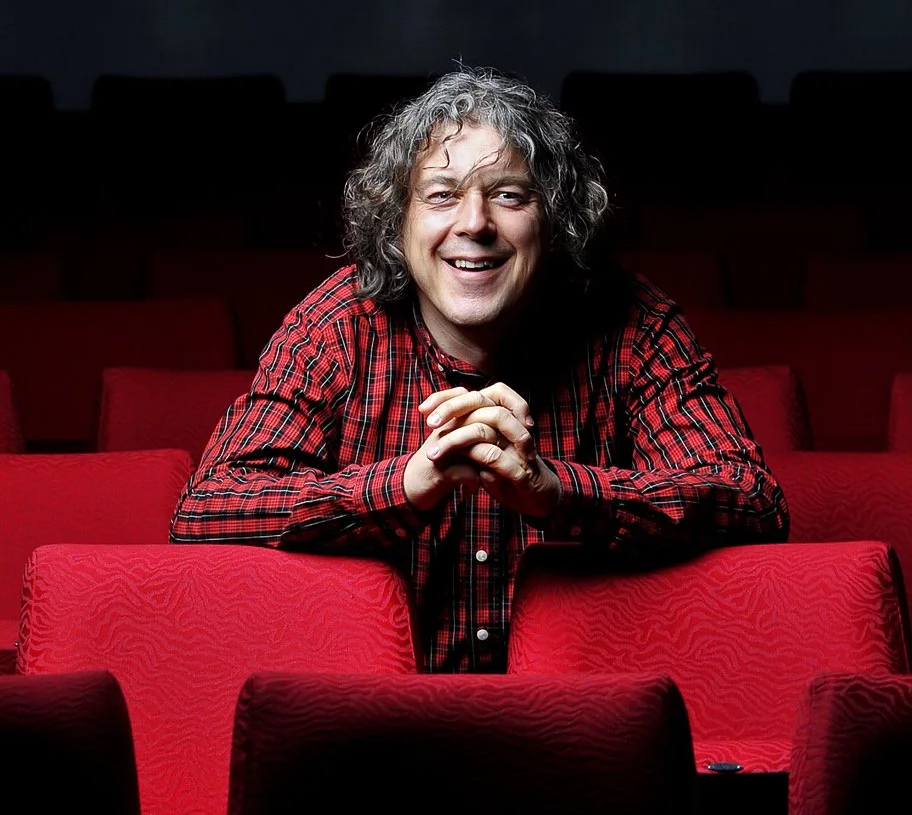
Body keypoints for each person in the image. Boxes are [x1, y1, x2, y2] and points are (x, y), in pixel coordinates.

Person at [170, 67, 786, 670]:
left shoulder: (633, 322)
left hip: (576, 722)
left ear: (554, 219)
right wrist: (401, 489)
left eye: (508, 195)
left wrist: (556, 490)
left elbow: (752, 499)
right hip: (380, 728)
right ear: (399, 223)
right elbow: (206, 509)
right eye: (441, 196)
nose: (473, 224)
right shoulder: (337, 325)